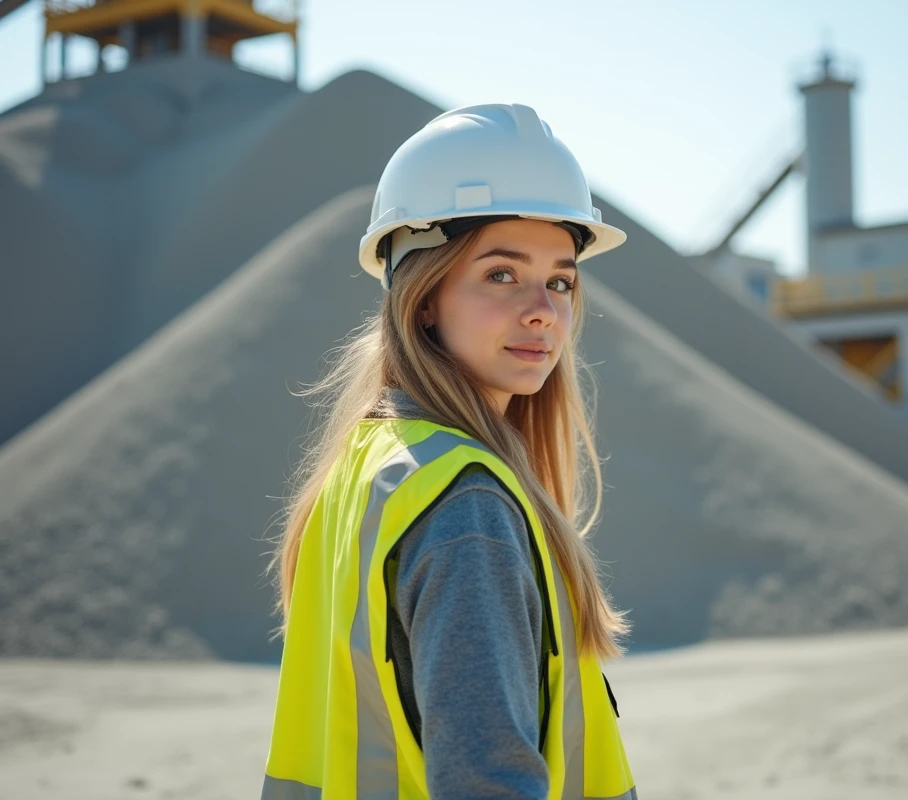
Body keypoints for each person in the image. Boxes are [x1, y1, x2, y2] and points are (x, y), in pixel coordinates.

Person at [260, 103, 638, 800]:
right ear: (424, 296)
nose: (543, 310)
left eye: (561, 280)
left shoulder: (369, 466)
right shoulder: (465, 506)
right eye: (501, 273)